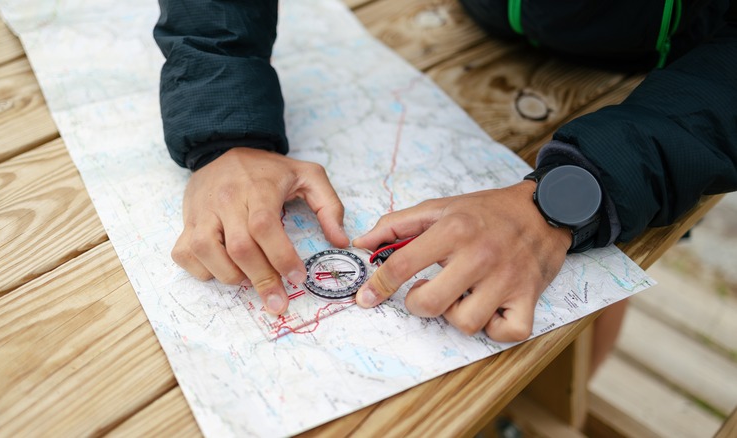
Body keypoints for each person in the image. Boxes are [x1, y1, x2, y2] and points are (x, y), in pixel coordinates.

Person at [153, 0, 737, 371]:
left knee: (582, 285)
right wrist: (224, 126)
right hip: (472, 38)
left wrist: (579, 193)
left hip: (666, 88)